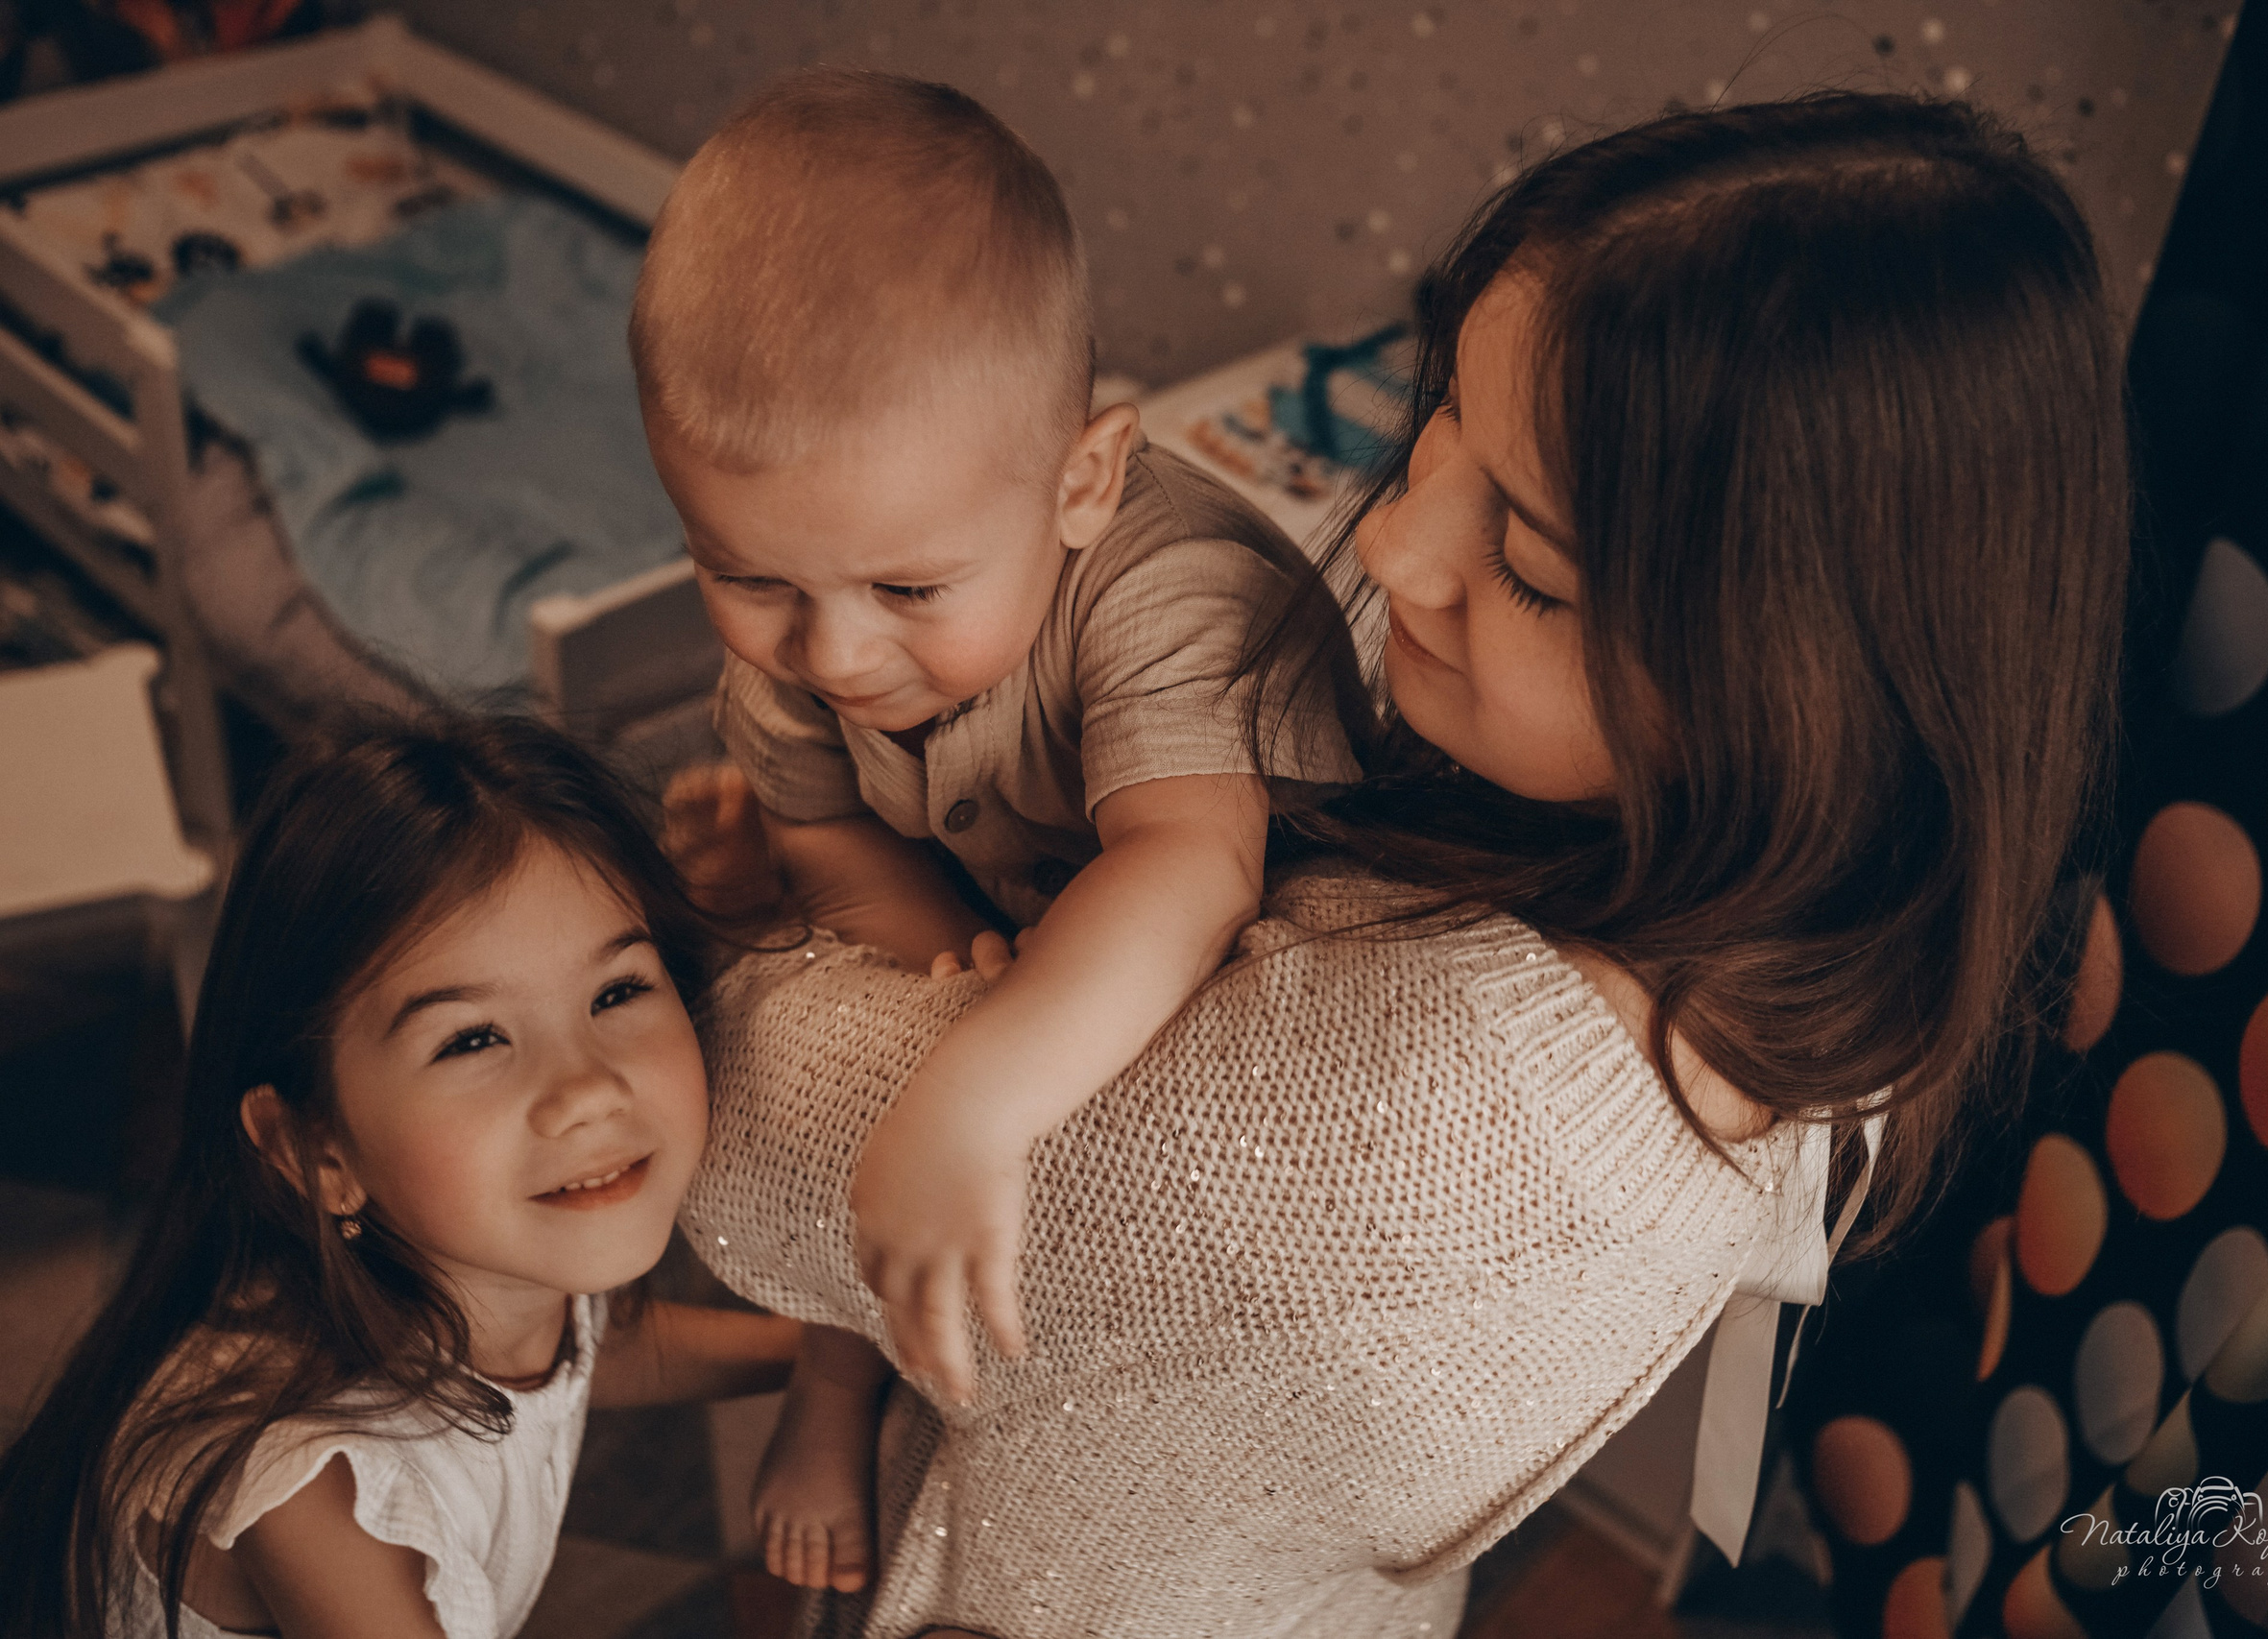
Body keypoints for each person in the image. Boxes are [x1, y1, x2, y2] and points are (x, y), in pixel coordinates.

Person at [674, 90, 2131, 1638]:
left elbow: (733, 1124)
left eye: (1532, 565)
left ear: (1793, 691)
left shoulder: (1417, 1131)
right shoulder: (1772, 930)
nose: (1390, 551)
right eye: (1442, 420)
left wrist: (717, 923)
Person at [628, 65, 1361, 1590]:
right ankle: (837, 1383)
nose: (831, 653)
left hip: (1247, 967)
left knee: (970, 1176)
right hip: (1014, 909)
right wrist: (939, 957)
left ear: (1084, 479)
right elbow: (833, 840)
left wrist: (969, 1088)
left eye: (908, 589)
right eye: (747, 576)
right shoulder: (808, 637)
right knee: (859, 1127)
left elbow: (1192, 860)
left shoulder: (1175, 590)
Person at [0, 717, 804, 1639]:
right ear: (319, 1148)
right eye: (471, 1038)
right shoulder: (321, 1489)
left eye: (617, 991)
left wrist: (816, 1354)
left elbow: (586, 1359)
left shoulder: (484, 1270)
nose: (586, 1088)